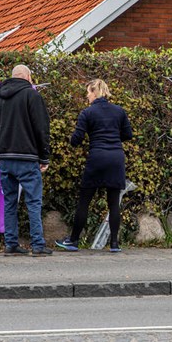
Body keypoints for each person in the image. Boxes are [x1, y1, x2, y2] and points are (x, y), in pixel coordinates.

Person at [55, 79, 133, 253]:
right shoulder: (119, 111)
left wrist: (71, 138)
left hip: (97, 157)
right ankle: (114, 244)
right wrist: (112, 138)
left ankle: (73, 241)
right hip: (116, 158)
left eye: (88, 92)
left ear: (95, 92)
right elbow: (128, 134)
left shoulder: (87, 113)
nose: (87, 96)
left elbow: (76, 140)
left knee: (84, 201)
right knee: (113, 203)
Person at [0, 64, 53, 256]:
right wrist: (44, 156)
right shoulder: (32, 96)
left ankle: (11, 244)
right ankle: (38, 245)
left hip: (5, 158)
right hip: (27, 157)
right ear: (28, 77)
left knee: (9, 202)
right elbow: (42, 128)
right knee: (33, 202)